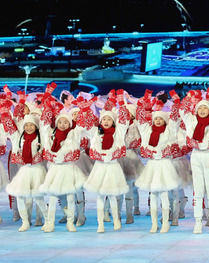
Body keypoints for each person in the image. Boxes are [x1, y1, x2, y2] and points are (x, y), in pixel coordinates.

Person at [78, 96, 130, 233]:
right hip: (100, 167)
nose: (106, 121)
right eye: (104, 119)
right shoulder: (95, 133)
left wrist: (121, 102)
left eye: (109, 119)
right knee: (100, 196)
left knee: (112, 196)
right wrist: (85, 109)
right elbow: (87, 123)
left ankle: (116, 221)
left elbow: (124, 120)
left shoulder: (118, 132)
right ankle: (100, 223)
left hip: (112, 167)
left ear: (113, 121)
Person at [134, 98, 180, 233]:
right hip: (153, 165)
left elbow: (175, 120)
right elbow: (141, 121)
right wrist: (142, 105)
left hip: (164, 164)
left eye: (161, 119)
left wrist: (176, 103)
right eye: (156, 119)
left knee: (164, 194)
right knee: (153, 194)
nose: (158, 121)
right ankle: (154, 223)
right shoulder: (148, 131)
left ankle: (165, 222)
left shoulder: (169, 131)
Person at [179, 92, 209, 234]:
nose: (202, 110)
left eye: (205, 108)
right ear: (196, 110)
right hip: (196, 155)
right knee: (198, 190)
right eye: (200, 108)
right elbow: (182, 110)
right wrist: (189, 96)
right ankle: (197, 222)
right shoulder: (191, 120)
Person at [38, 105, 86, 233]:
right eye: (60, 122)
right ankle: (50, 223)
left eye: (66, 122)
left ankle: (70, 222)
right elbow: (44, 126)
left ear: (70, 124)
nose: (62, 124)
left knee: (70, 197)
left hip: (68, 169)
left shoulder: (74, 134)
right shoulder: (51, 135)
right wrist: (48, 108)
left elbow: (81, 125)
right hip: (55, 169)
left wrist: (84, 109)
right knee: (53, 197)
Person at [2, 99, 47, 232]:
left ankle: (45, 219)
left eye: (31, 125)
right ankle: (25, 221)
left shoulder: (41, 137)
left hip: (37, 170)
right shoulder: (19, 137)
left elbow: (45, 125)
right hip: (24, 170)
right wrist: (4, 113)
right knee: (22, 196)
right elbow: (11, 129)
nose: (28, 127)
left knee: (38, 197)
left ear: (36, 126)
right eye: (26, 125)